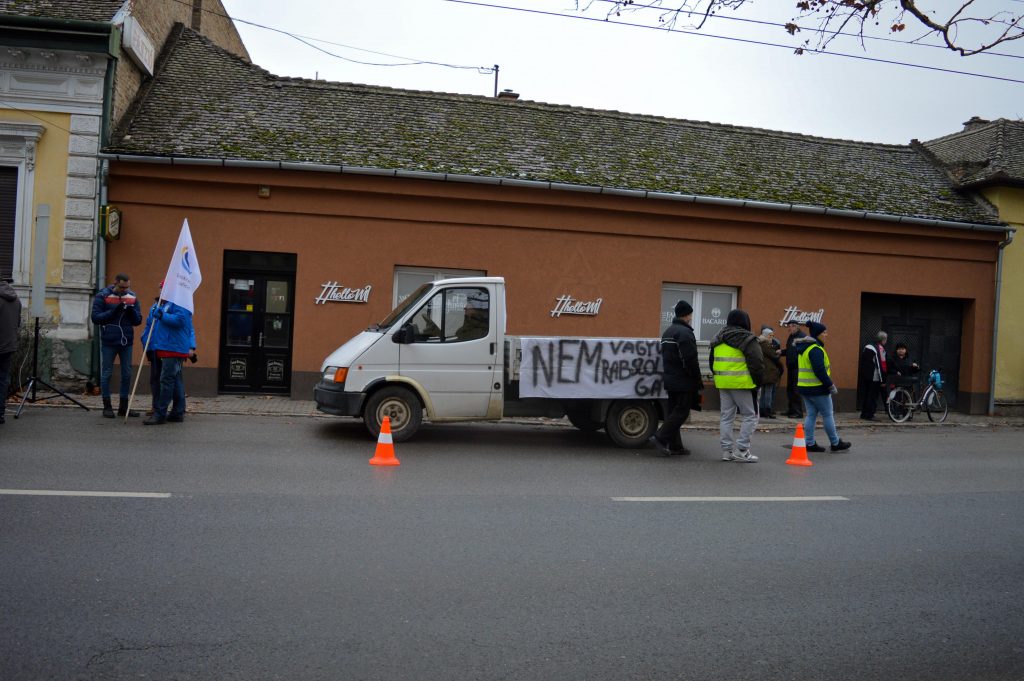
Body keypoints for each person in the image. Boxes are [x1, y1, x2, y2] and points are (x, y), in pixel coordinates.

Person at [710, 309, 765, 463]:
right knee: (751, 416)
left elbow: (711, 361)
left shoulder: (718, 338)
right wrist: (757, 383)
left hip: (723, 383)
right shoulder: (747, 338)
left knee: (726, 417)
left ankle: (727, 452)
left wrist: (719, 377)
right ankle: (742, 450)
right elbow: (757, 364)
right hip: (743, 384)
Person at [650, 300, 702, 456]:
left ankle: (675, 445)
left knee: (674, 411)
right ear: (686, 315)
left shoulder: (668, 332)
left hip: (670, 379)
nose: (691, 318)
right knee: (682, 411)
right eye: (690, 314)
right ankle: (660, 437)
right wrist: (697, 378)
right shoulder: (685, 333)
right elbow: (690, 359)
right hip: (683, 380)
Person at [91, 273, 143, 418]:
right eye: (121, 287)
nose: (124, 290)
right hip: (109, 340)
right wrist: (114, 310)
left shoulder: (131, 296)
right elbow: (95, 318)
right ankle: (107, 407)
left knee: (127, 374)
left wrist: (131, 311)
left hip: (126, 341)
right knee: (106, 373)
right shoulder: (103, 296)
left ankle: (123, 407)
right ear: (115, 283)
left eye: (127, 287)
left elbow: (138, 320)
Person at [796, 321, 852, 453]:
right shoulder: (816, 349)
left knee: (811, 415)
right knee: (827, 415)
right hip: (818, 388)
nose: (826, 334)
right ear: (818, 334)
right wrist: (830, 385)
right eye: (824, 332)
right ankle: (835, 442)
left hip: (805, 387)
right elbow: (820, 371)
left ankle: (809, 443)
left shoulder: (805, 348)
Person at [143, 298, 196, 425]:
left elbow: (180, 320)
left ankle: (160, 414)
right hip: (164, 346)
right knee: (171, 380)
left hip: (173, 347)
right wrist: (147, 343)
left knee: (166, 380)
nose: (162, 290)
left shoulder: (179, 302)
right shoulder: (163, 304)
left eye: (164, 288)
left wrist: (162, 314)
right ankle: (175, 413)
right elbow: (151, 326)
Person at [0, 275, 22, 425]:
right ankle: (0, 413)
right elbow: (18, 322)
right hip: (8, 345)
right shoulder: (16, 299)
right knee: (2, 380)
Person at [858, 331, 888, 421]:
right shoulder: (879, 349)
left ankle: (864, 413)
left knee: (866, 395)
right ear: (883, 339)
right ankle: (870, 414)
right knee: (873, 396)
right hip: (875, 377)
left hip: (865, 376)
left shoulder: (867, 346)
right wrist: (883, 380)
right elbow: (881, 365)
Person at [757, 325, 782, 419]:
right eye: (770, 335)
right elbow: (774, 356)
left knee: (764, 392)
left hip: (765, 371)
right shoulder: (765, 344)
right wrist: (778, 353)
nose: (772, 337)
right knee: (768, 392)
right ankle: (767, 410)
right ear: (766, 335)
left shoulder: (760, 343)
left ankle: (762, 410)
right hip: (769, 372)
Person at [783, 320, 805, 418]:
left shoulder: (801, 337)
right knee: (790, 389)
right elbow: (790, 350)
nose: (789, 329)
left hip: (797, 367)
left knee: (796, 390)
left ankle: (798, 412)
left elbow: (802, 351)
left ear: (795, 326)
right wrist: (782, 352)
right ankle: (791, 410)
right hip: (791, 367)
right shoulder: (791, 336)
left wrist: (796, 360)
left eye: (790, 327)